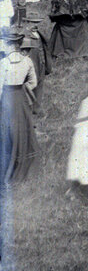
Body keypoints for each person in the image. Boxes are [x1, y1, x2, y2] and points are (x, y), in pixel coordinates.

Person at [1, 29, 39, 183]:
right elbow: (33, 83)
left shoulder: (3, 63)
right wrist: (24, 88)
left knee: (7, 129)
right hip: (21, 98)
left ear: (10, 45)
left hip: (7, 98)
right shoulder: (27, 61)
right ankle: (23, 160)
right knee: (22, 128)